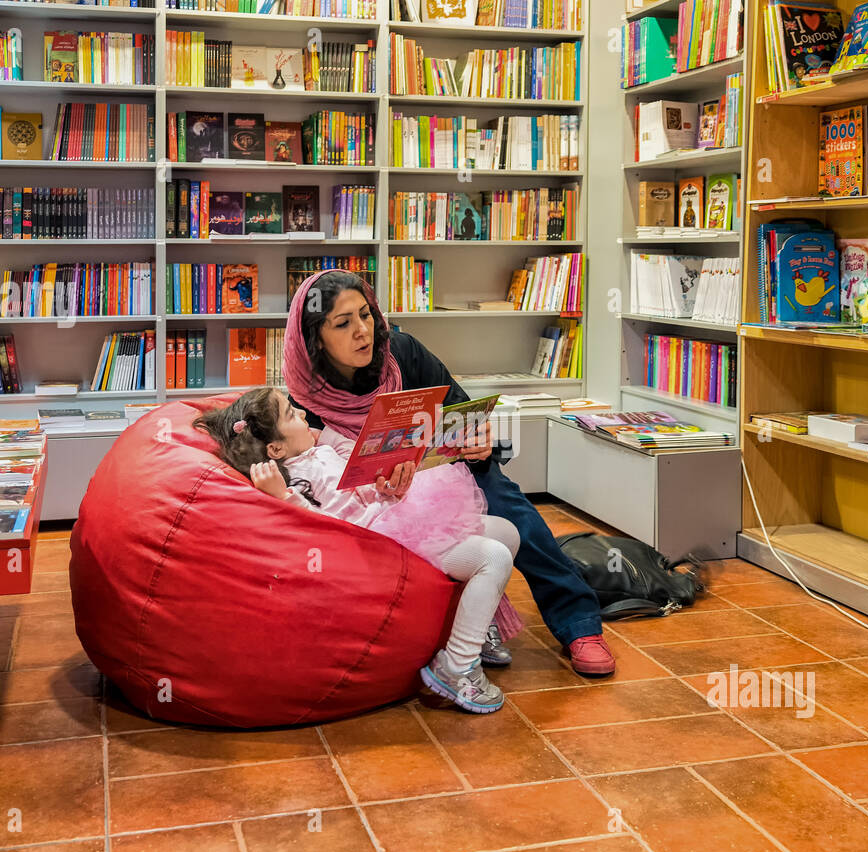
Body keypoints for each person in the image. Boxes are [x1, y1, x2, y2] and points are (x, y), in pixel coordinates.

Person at [284, 269, 616, 676]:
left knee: (514, 510)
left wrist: (479, 443)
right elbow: (309, 475)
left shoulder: (402, 353)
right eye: (343, 323)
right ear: (316, 338)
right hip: (369, 502)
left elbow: (463, 414)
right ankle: (462, 627)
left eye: (366, 315)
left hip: (442, 476)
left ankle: (579, 624)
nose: (363, 331)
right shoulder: (303, 399)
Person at [196, 387, 519, 714]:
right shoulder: (294, 478)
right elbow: (317, 526)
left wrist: (390, 478)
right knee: (493, 557)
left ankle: (473, 630)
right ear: (276, 448)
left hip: (399, 514)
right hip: (383, 542)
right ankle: (459, 666)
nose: (304, 415)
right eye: (292, 414)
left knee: (507, 533)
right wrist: (282, 497)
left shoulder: (320, 448)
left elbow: (360, 475)